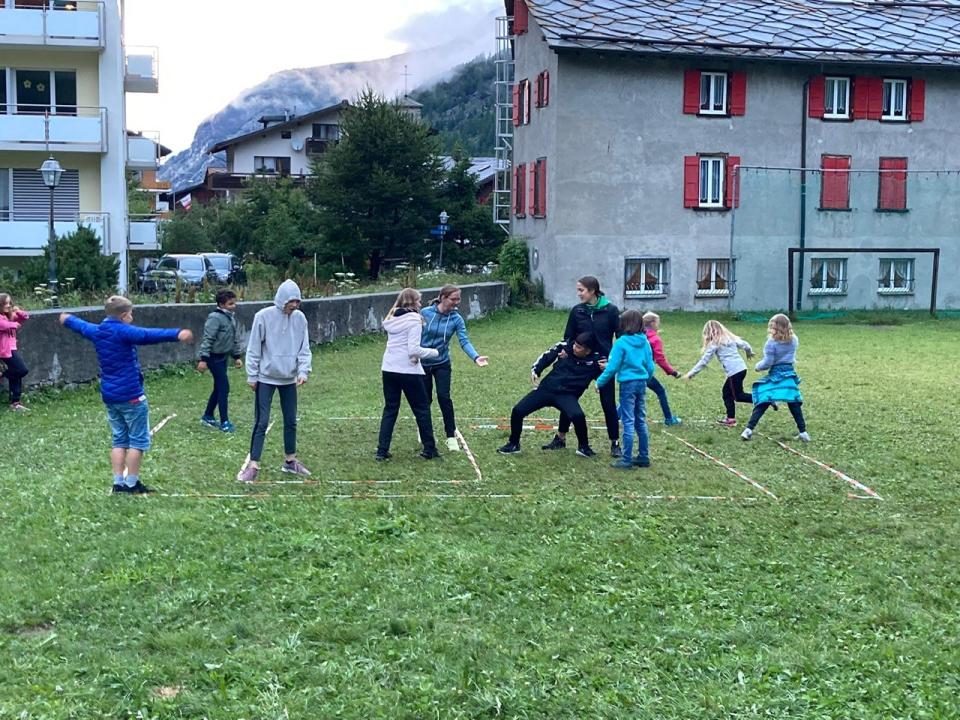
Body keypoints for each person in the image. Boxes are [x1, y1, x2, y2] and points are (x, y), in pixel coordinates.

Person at [59, 296, 194, 494]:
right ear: (123, 316)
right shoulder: (123, 331)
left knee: (119, 440)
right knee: (137, 441)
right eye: (131, 313)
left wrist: (67, 318)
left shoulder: (98, 331)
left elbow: (81, 325)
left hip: (110, 396)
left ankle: (118, 483)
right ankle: (131, 484)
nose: (132, 316)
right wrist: (177, 333)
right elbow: (148, 335)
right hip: (131, 395)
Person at [237, 280, 312, 483]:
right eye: (291, 301)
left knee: (291, 420)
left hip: (288, 379)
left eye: (297, 301)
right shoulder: (263, 316)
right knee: (261, 421)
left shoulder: (300, 319)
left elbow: (304, 347)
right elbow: (253, 348)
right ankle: (253, 465)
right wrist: (252, 375)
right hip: (266, 378)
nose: (294, 305)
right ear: (282, 300)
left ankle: (290, 461)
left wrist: (303, 371)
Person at [544, 276, 622, 456]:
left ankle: (615, 443)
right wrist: (565, 353)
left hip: (603, 365)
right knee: (569, 398)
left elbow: (620, 339)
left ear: (593, 290)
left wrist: (611, 362)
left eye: (581, 290)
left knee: (608, 403)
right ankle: (560, 438)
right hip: (579, 363)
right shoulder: (577, 311)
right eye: (578, 290)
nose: (578, 294)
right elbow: (568, 337)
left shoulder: (610, 311)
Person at [498, 332, 603, 458]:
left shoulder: (596, 361)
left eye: (579, 347)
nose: (574, 347)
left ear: (587, 351)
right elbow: (547, 355)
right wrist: (536, 370)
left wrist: (601, 382)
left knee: (578, 415)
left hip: (567, 395)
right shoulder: (565, 348)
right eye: (575, 344)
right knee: (518, 410)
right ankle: (513, 444)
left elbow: (609, 372)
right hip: (547, 388)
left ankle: (584, 447)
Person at [420, 284, 489, 451]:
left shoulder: (457, 319)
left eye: (458, 299)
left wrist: (476, 357)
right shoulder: (424, 313)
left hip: (442, 363)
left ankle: (450, 437)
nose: (457, 302)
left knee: (444, 398)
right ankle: (423, 430)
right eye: (454, 299)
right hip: (422, 364)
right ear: (443, 297)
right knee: (425, 400)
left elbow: (464, 341)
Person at [376, 288, 441, 461]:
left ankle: (382, 451)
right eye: (419, 301)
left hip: (389, 368)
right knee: (422, 409)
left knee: (390, 409)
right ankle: (429, 449)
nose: (421, 304)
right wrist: (434, 352)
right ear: (412, 302)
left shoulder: (392, 319)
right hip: (408, 370)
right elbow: (413, 350)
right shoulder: (414, 320)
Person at [596, 310, 656, 469]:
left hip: (627, 385)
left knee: (628, 421)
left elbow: (612, 367)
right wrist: (646, 378)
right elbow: (650, 366)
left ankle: (627, 459)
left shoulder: (621, 343)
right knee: (640, 420)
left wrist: (599, 382)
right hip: (641, 383)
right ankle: (643, 456)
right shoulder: (645, 342)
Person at [741, 313, 810, 442]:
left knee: (763, 400)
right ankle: (803, 432)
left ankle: (748, 430)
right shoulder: (794, 339)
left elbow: (768, 363)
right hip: (789, 374)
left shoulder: (771, 343)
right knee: (794, 403)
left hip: (776, 375)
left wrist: (757, 366)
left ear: (775, 327)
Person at [683, 319, 754, 426]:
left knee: (738, 396)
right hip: (741, 369)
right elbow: (746, 345)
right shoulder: (731, 339)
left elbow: (704, 361)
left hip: (734, 372)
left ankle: (764, 399)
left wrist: (691, 373)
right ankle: (731, 419)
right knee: (727, 393)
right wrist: (749, 353)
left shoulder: (715, 343)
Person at [198, 289, 244, 432]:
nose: (233, 306)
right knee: (224, 388)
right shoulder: (215, 318)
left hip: (223, 357)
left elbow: (232, 339)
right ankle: (224, 421)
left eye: (234, 303)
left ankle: (208, 415)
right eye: (230, 304)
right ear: (221, 305)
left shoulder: (230, 317)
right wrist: (203, 359)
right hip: (213, 358)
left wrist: (236, 357)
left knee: (219, 387)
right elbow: (208, 339)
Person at [642, 312, 682, 426]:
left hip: (633, 370)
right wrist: (673, 372)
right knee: (660, 391)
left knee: (630, 396)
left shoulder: (639, 335)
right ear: (653, 323)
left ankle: (614, 417)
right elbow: (660, 359)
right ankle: (669, 419)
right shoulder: (655, 339)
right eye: (658, 322)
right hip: (645, 372)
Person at [0, 293, 30, 411]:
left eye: (9, 303)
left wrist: (18, 311)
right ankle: (3, 374)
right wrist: (14, 323)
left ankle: (15, 402)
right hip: (4, 350)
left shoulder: (7, 315)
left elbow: (25, 317)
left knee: (16, 374)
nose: (8, 305)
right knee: (21, 370)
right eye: (5, 303)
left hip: (12, 348)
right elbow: (5, 325)